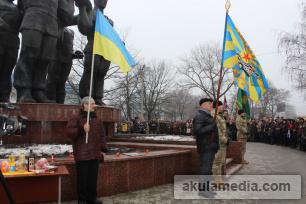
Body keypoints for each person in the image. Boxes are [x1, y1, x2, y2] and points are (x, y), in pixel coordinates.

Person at [13, 0, 59, 103]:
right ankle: (23, 90)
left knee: (45, 58)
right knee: (29, 54)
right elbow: (20, 6)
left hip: (52, 21)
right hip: (33, 18)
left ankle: (38, 89)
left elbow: (63, 12)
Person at [66, 96, 106, 204]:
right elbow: (69, 133)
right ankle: (82, 199)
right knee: (82, 179)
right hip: (82, 153)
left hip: (94, 153)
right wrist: (81, 129)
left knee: (93, 178)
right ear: (85, 105)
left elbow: (102, 134)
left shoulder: (97, 119)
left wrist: (103, 147)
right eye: (92, 104)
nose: (94, 105)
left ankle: (92, 197)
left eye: (94, 104)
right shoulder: (76, 117)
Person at [76, 0, 113, 105]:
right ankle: (86, 95)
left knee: (101, 73)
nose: (105, 1)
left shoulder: (109, 21)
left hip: (105, 50)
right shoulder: (91, 13)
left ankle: (98, 97)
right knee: (90, 71)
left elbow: (111, 37)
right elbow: (85, 28)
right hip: (93, 46)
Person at [193, 98, 219, 197]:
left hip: (210, 146)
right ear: (202, 105)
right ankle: (203, 191)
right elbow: (198, 131)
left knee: (208, 170)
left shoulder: (208, 116)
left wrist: (216, 145)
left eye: (211, 103)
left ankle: (207, 188)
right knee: (205, 169)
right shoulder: (200, 116)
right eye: (209, 103)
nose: (211, 105)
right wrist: (211, 126)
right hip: (205, 147)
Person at [0, 0, 21, 102]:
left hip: (12, 42)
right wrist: (4, 25)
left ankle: (4, 98)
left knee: (7, 72)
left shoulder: (17, 8)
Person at [212, 100, 228, 184]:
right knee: (217, 161)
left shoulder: (220, 116)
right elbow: (217, 131)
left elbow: (223, 129)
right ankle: (216, 180)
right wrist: (225, 139)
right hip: (218, 141)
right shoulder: (214, 115)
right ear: (217, 106)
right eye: (221, 106)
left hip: (222, 142)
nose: (223, 107)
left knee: (220, 161)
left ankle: (219, 179)